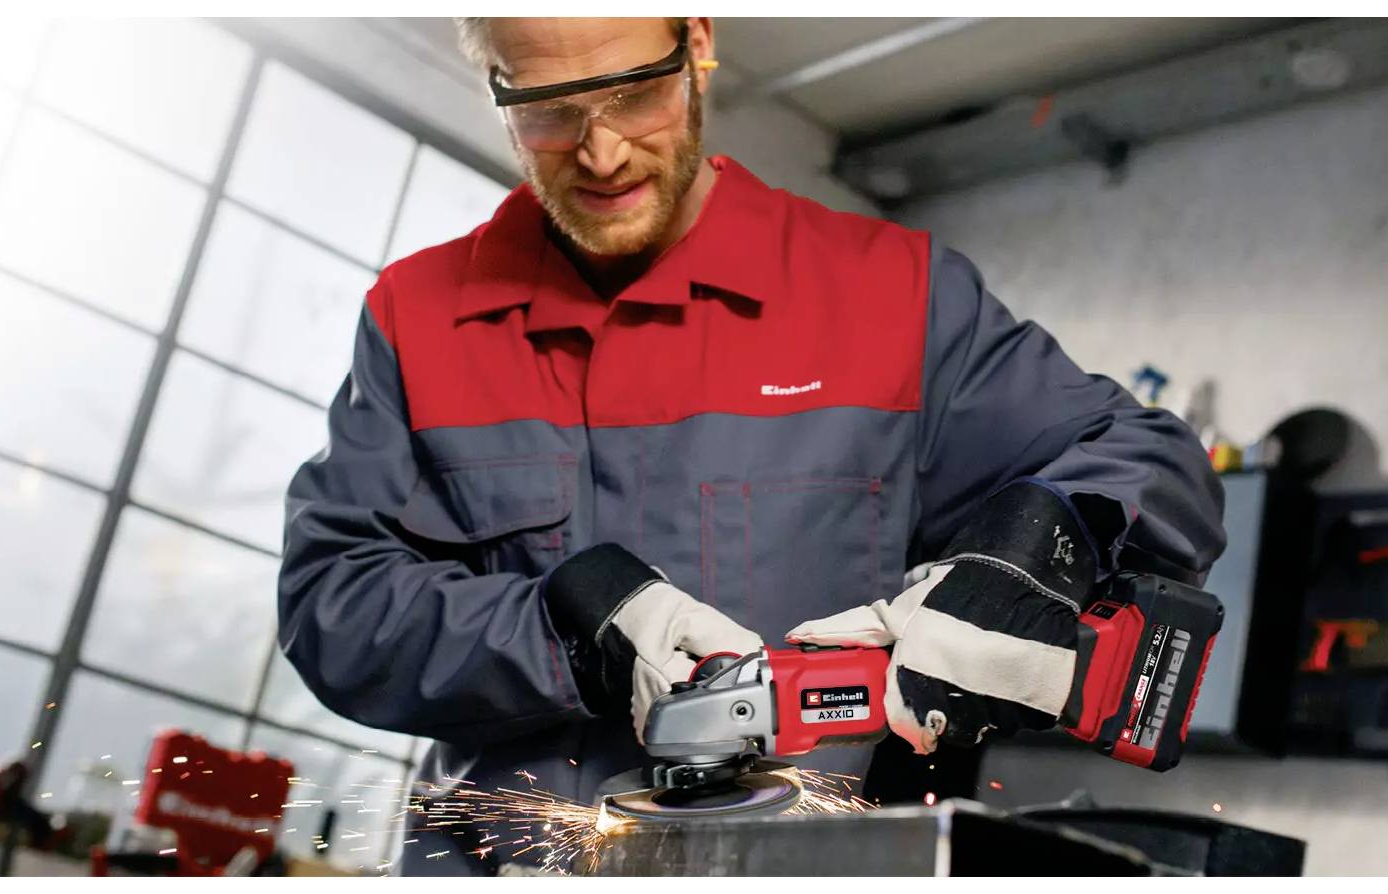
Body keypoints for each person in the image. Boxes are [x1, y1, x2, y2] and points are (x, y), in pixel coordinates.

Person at [278, 16, 1225, 875]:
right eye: (549, 114)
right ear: (494, 90)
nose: (602, 152)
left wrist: (1028, 551)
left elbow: (1143, 452)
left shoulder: (889, 295)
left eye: (633, 95)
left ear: (696, 47)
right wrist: (567, 629)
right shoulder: (418, 317)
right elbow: (333, 603)